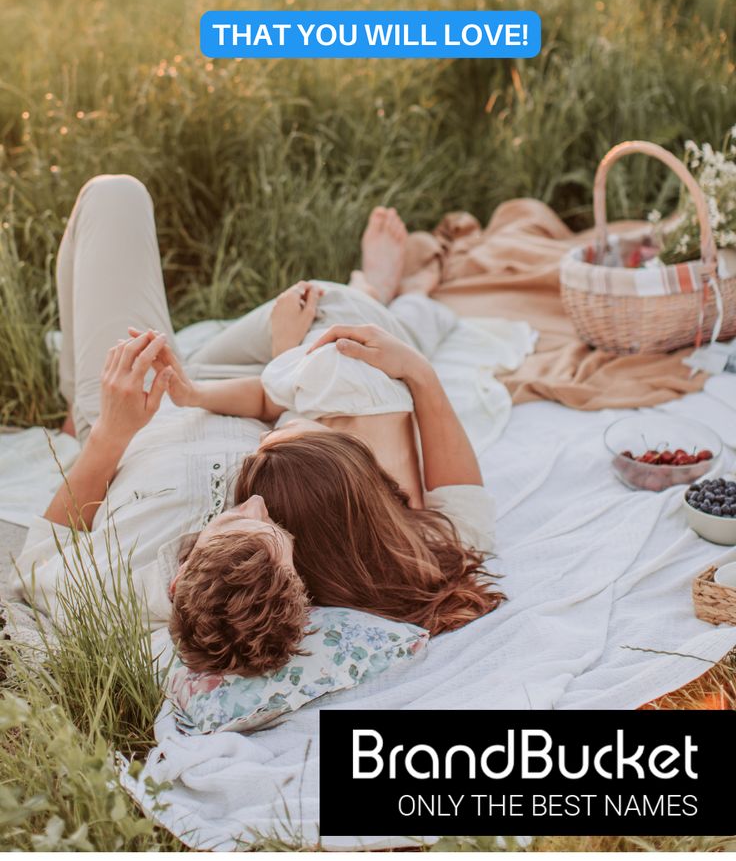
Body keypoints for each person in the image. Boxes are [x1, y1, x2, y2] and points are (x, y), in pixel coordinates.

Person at [13, 174, 501, 676]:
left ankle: (81, 400)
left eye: (238, 518)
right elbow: (465, 513)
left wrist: (109, 435)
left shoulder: (115, 591)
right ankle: (375, 289)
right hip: (258, 386)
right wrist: (418, 372)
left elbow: (38, 556)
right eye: (273, 526)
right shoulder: (318, 553)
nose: (259, 504)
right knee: (336, 308)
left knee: (115, 196)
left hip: (138, 406)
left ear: (177, 581)